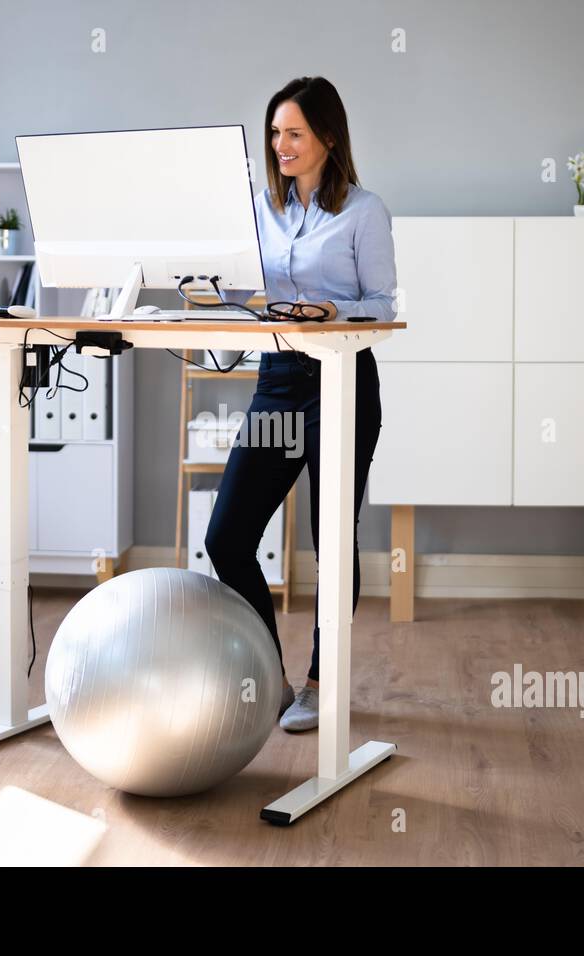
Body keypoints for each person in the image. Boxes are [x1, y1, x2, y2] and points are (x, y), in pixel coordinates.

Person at [205, 75, 396, 732]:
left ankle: (322, 680)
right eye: (276, 133)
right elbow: (241, 284)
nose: (281, 145)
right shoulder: (263, 207)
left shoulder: (363, 211)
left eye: (294, 133)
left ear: (328, 138)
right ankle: (271, 674)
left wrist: (331, 309)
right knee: (226, 537)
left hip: (341, 381)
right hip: (278, 382)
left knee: (331, 540)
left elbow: (383, 305)